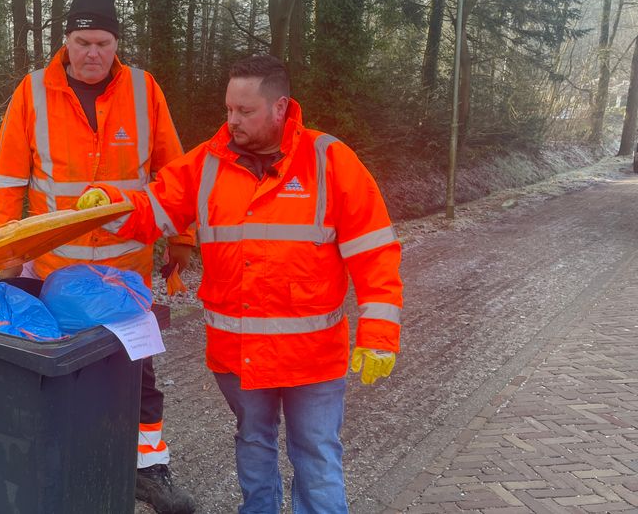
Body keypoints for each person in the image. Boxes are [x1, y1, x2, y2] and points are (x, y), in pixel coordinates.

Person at [76, 55, 404, 513]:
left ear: (280, 107)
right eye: (229, 109)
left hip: (312, 357)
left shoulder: (329, 161)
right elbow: (154, 208)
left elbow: (374, 251)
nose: (232, 121)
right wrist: (110, 203)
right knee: (253, 444)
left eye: (245, 111)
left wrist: (380, 333)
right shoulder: (207, 163)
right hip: (239, 352)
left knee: (316, 454)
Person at [0, 0, 197, 512]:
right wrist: (4, 256)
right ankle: (69, 468)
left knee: (137, 375)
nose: (92, 53)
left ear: (116, 42)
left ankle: (148, 469)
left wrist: (182, 237)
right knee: (61, 376)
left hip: (126, 275)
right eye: (82, 42)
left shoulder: (144, 90)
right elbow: (8, 183)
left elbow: (174, 175)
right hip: (56, 274)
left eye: (102, 42)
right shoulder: (32, 93)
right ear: (65, 41)